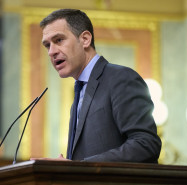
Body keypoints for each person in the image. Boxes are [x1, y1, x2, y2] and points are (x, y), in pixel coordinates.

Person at [37, 9, 161, 163]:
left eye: (59, 40)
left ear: (85, 39)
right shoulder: (79, 94)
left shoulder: (121, 78)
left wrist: (80, 167)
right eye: (47, 45)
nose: (51, 52)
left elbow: (145, 144)